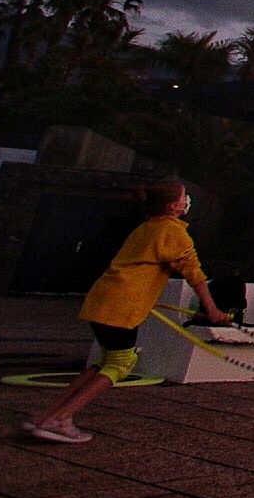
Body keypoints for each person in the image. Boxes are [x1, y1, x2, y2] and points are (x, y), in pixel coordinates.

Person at [21, 179, 229, 444]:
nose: (187, 200)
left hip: (103, 298)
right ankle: (59, 419)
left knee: (104, 361)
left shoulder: (146, 227)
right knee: (121, 364)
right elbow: (194, 274)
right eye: (184, 196)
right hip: (123, 304)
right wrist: (212, 309)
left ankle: (46, 415)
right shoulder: (173, 232)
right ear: (174, 205)